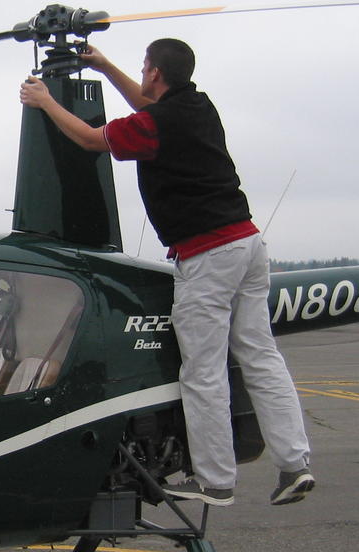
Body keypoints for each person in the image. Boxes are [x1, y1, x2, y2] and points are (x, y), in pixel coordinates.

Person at [18, 39, 314, 506]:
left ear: (155, 72)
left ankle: (215, 481)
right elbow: (146, 104)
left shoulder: (154, 124)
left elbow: (91, 140)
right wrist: (105, 66)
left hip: (208, 255)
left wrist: (44, 101)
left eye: (144, 68)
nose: (142, 75)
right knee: (260, 356)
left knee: (202, 371)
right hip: (248, 244)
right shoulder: (197, 106)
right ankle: (295, 464)